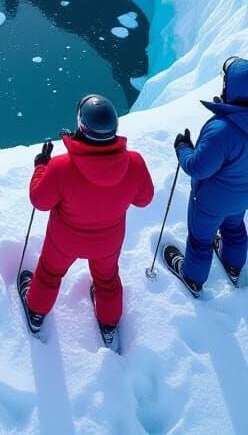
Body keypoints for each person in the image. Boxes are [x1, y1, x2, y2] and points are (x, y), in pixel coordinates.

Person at [19, 95, 153, 338]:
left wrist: (41, 166)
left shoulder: (61, 167)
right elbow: (144, 199)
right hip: (108, 241)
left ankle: (37, 313)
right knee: (107, 279)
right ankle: (109, 324)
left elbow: (39, 200)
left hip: (64, 241)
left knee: (49, 274)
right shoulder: (134, 163)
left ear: (81, 126)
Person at [162, 59, 248, 294]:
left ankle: (193, 279)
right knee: (234, 227)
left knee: (200, 241)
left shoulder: (222, 130)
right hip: (246, 193)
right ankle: (234, 265)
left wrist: (182, 147)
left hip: (210, 201)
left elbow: (197, 167)